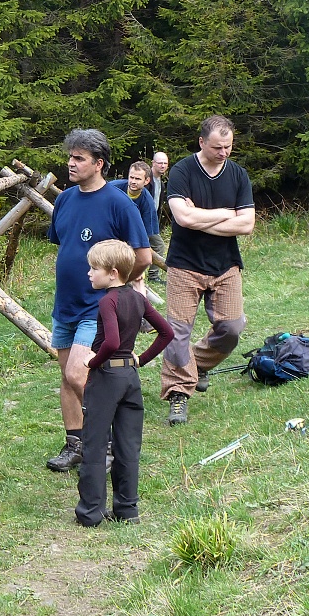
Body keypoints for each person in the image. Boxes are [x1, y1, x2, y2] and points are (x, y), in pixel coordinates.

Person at [45, 129, 152, 472]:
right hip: (66, 304)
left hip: (97, 306)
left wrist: (117, 289)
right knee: (67, 375)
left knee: (81, 374)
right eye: (70, 157)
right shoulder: (64, 199)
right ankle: (75, 443)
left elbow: (144, 255)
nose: (70, 163)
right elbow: (63, 244)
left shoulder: (119, 203)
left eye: (79, 159)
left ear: (99, 164)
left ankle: (107, 441)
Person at [160, 116, 254, 426]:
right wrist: (225, 215)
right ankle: (178, 394)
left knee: (232, 328)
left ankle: (197, 365)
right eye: (217, 147)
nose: (224, 152)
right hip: (184, 265)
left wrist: (201, 217)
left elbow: (247, 224)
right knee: (177, 333)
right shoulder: (182, 172)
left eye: (228, 147)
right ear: (202, 142)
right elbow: (183, 219)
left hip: (226, 265)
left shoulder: (238, 175)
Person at [75, 240, 173, 526]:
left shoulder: (108, 300)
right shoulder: (139, 299)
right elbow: (166, 333)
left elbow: (112, 342)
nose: (90, 274)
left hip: (106, 378)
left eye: (94, 269)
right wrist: (140, 359)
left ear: (113, 272)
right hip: (130, 378)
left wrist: (92, 362)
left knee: (94, 444)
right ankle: (127, 510)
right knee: (128, 445)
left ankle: (91, 513)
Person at [109, 161, 161, 285]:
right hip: (110, 226)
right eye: (131, 177)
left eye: (138, 179)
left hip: (131, 233)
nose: (133, 181)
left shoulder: (147, 202)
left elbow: (145, 235)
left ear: (146, 181)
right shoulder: (113, 188)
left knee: (157, 245)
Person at [146, 152, 170, 281]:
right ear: (153, 163)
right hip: (142, 221)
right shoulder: (145, 179)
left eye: (165, 163)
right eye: (160, 163)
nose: (162, 166)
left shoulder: (160, 181)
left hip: (151, 221)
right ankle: (153, 276)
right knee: (158, 245)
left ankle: (151, 276)